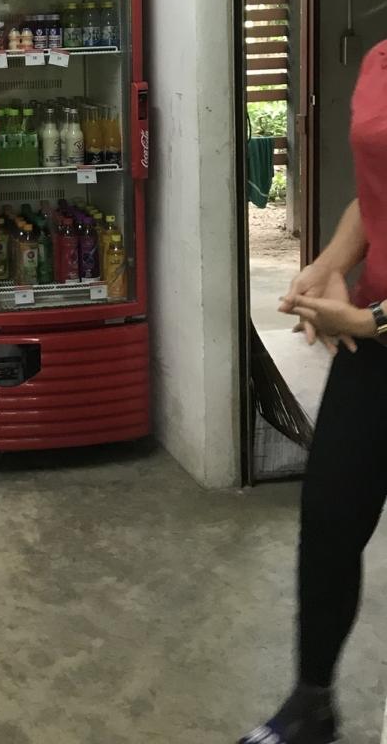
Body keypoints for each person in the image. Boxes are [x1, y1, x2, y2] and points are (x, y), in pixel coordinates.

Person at [240, 40, 387, 744]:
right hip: (374, 348)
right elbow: (374, 195)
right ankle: (312, 705)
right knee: (329, 518)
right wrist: (329, 263)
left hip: (372, 327)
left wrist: (367, 319)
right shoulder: (380, 61)